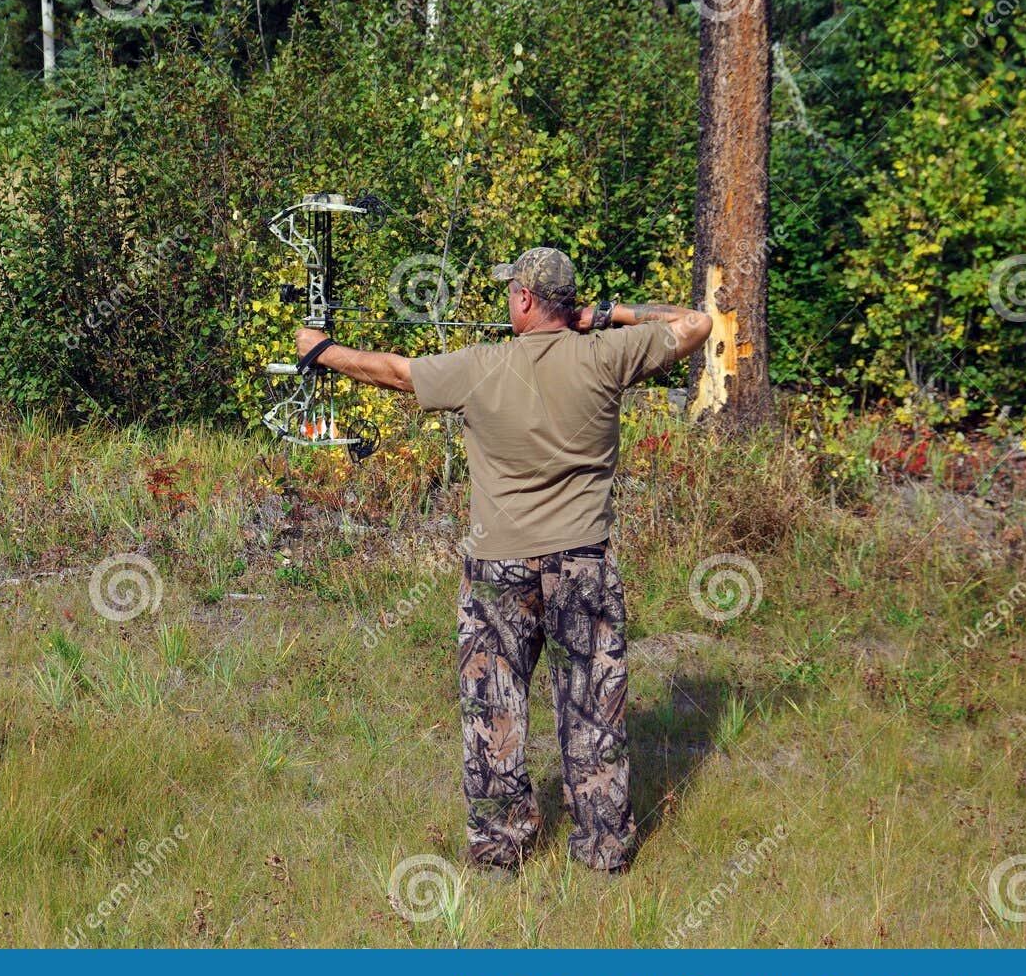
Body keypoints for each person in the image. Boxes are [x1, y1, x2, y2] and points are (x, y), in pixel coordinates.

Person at [293, 246, 712, 873]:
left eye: (511, 293)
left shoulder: (482, 366)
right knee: (592, 705)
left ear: (522, 300)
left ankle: (499, 848)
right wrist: (605, 315)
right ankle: (603, 848)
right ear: (565, 302)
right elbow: (697, 322)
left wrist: (321, 351)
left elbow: (396, 372)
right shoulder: (607, 354)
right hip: (583, 564)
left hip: (497, 569)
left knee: (494, 706)